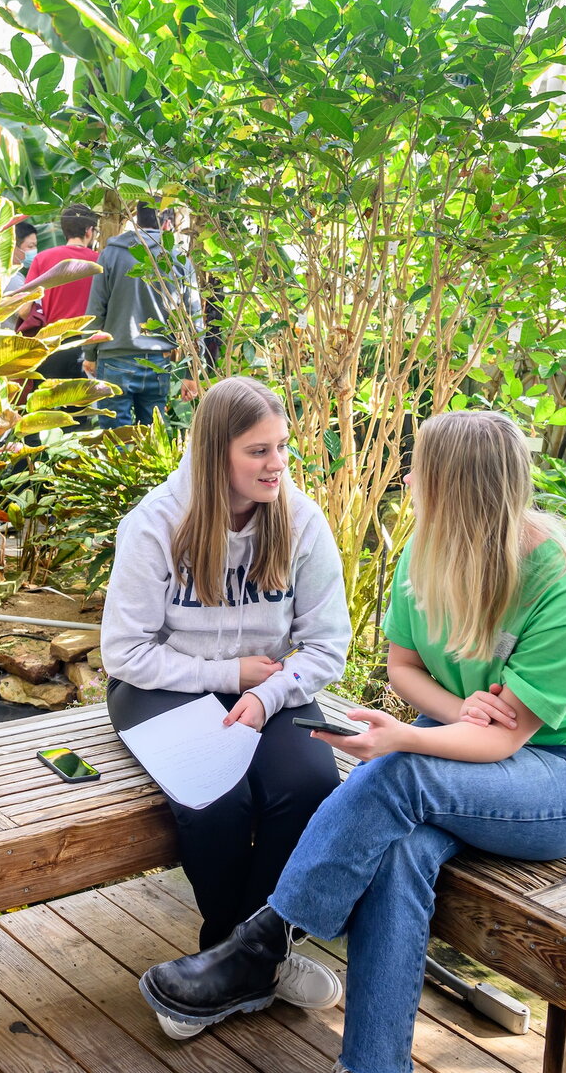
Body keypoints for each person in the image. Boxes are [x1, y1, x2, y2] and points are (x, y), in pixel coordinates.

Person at [138, 411, 566, 1072]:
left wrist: (410, 740)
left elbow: (505, 745)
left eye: (418, 468)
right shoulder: (425, 554)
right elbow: (404, 669)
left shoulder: (564, 583)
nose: (407, 478)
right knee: (399, 858)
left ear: (457, 487)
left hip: (563, 778)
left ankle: (263, 944)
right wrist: (456, 712)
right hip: (465, 752)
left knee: (402, 772)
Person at [102, 377, 351, 1026]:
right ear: (218, 455)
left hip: (265, 684)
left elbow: (328, 646)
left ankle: (234, 966)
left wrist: (266, 695)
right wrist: (224, 673)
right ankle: (235, 955)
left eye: (282, 448)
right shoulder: (157, 525)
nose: (277, 466)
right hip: (158, 686)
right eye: (258, 452)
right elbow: (124, 654)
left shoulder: (301, 522)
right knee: (218, 794)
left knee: (309, 782)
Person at [84, 202, 202, 426]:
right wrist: (192, 371)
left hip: (114, 358)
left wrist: (89, 354)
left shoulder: (110, 254)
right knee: (154, 442)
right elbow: (194, 317)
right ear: (167, 224)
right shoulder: (178, 259)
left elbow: (96, 309)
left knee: (115, 441)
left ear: (136, 220)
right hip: (158, 361)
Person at [19, 204, 101, 376]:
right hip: (88, 348)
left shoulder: (42, 259)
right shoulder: (101, 261)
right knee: (82, 401)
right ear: (89, 230)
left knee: (48, 400)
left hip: (52, 345)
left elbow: (23, 309)